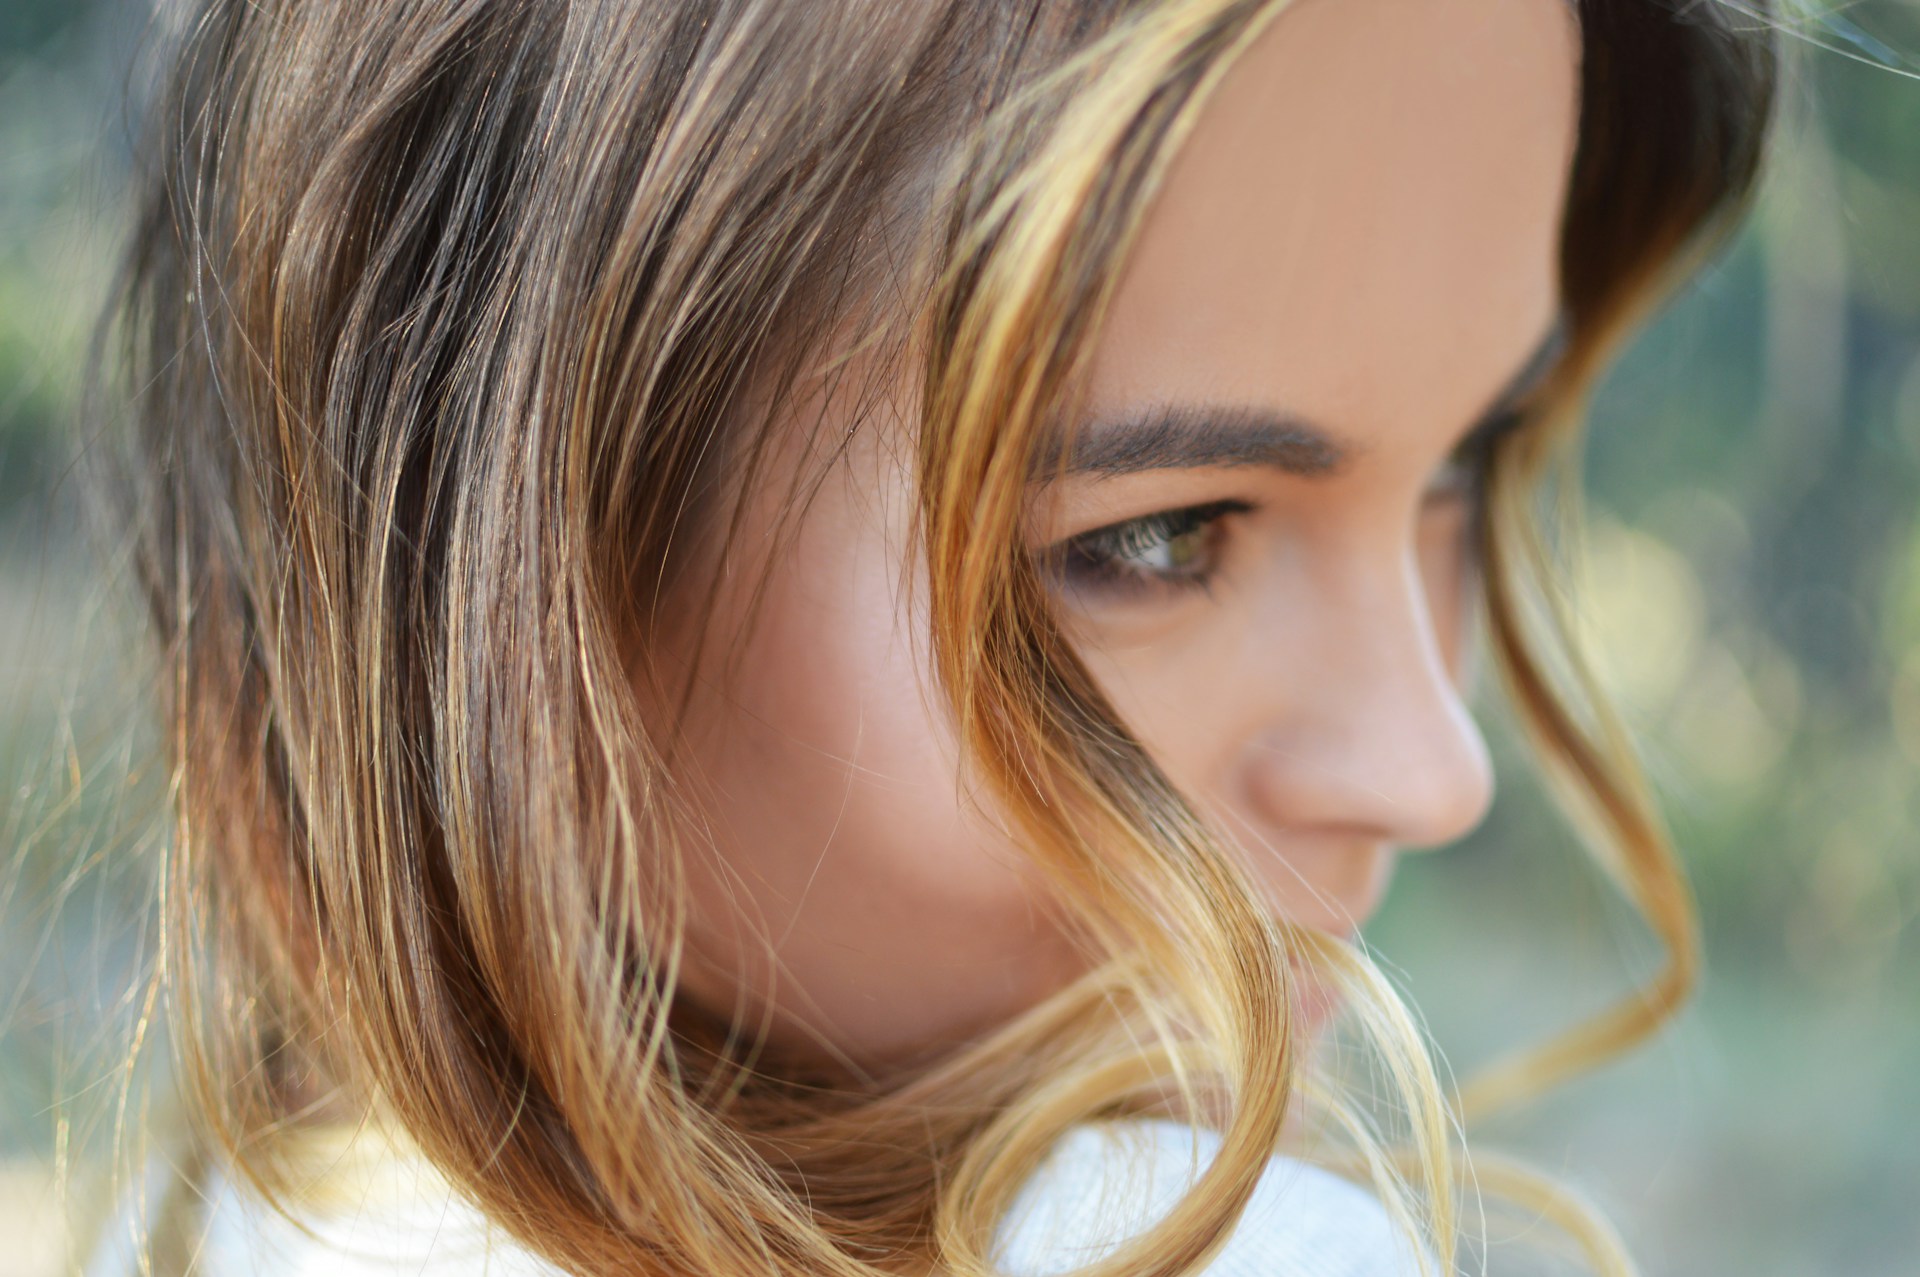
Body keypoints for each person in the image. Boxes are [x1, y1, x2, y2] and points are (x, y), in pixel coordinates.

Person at [85, 0, 1773, 1272]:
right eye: (1155, 539)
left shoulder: (256, 1207)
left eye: (1466, 463)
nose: (1430, 763)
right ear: (483, 554)